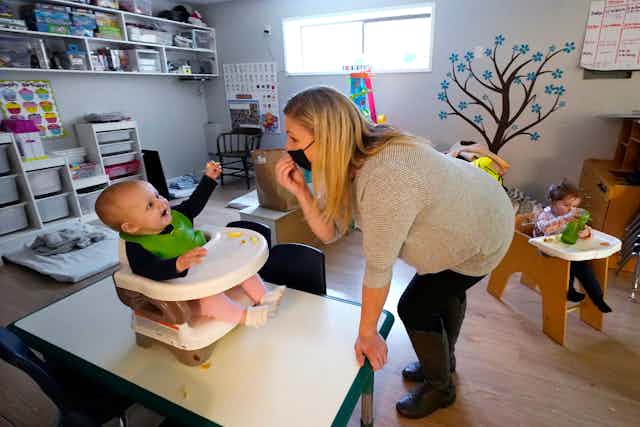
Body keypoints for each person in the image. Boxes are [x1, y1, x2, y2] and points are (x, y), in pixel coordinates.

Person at [275, 86, 514, 419]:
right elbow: (331, 232)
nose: (287, 148)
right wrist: (301, 190)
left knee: (416, 307)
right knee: (436, 293)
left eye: (294, 139)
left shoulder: (386, 175)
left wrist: (367, 333)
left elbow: (378, 268)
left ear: (327, 138)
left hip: (484, 230)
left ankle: (440, 387)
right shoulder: (352, 153)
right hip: (470, 211)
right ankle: (443, 360)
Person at [95, 161, 285, 327]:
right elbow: (147, 270)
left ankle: (264, 297)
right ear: (131, 227)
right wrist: (177, 264)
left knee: (244, 269)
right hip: (183, 288)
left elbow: (194, 203)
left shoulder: (176, 216)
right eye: (150, 206)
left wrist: (208, 180)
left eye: (158, 196)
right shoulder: (136, 246)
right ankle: (245, 317)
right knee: (211, 300)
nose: (161, 203)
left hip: (206, 267)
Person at [534, 180, 612, 312]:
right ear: (553, 202)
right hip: (546, 251)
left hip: (564, 250)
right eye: (566, 205)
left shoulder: (570, 214)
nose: (571, 209)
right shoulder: (545, 214)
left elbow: (587, 230)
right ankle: (569, 290)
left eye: (574, 206)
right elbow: (546, 228)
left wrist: (585, 233)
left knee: (583, 265)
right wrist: (565, 219)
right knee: (571, 264)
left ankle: (598, 298)